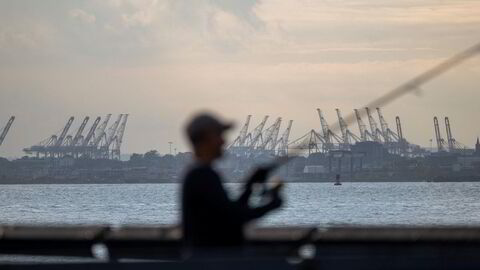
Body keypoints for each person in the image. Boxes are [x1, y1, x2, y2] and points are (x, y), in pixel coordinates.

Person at [182, 112, 283, 250]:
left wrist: (249, 187)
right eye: (218, 135)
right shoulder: (202, 176)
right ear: (205, 139)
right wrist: (271, 205)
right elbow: (236, 217)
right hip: (211, 261)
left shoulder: (199, 173)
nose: (223, 141)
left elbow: (229, 214)